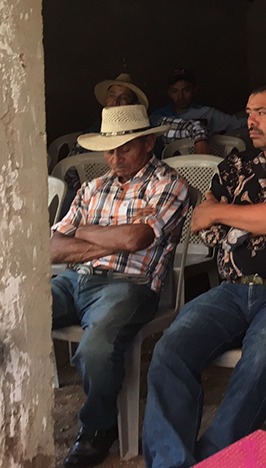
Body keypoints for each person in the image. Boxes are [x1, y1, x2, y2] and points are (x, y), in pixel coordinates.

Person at [142, 82, 266, 468]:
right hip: (232, 291)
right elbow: (203, 224)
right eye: (248, 112)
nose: (250, 121)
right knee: (170, 349)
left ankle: (214, 460)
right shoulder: (235, 165)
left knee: (260, 354)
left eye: (261, 112)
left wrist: (257, 217)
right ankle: (170, 462)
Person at [50, 105, 189, 468]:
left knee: (95, 349)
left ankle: (98, 428)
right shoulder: (92, 187)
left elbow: (135, 238)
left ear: (147, 144)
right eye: (109, 149)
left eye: (125, 147)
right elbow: (51, 248)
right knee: (14, 317)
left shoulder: (169, 184)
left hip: (130, 285)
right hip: (74, 278)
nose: (115, 157)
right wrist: (107, 240)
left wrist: (79, 233)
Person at [149, 68, 246, 134]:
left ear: (194, 90)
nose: (180, 96)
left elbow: (236, 123)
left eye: (186, 90)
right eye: (175, 91)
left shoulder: (207, 114)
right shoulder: (158, 116)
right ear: (169, 93)